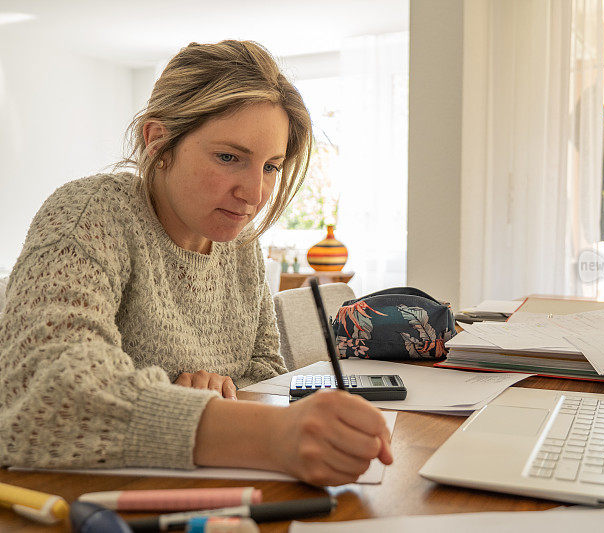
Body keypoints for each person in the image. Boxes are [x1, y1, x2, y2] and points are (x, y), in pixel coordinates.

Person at [0, 40, 392, 486]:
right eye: (229, 157)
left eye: (271, 166)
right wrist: (263, 431)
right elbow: (50, 392)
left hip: (206, 486)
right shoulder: (90, 213)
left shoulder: (239, 243)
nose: (255, 194)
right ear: (158, 141)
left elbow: (263, 370)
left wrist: (221, 393)